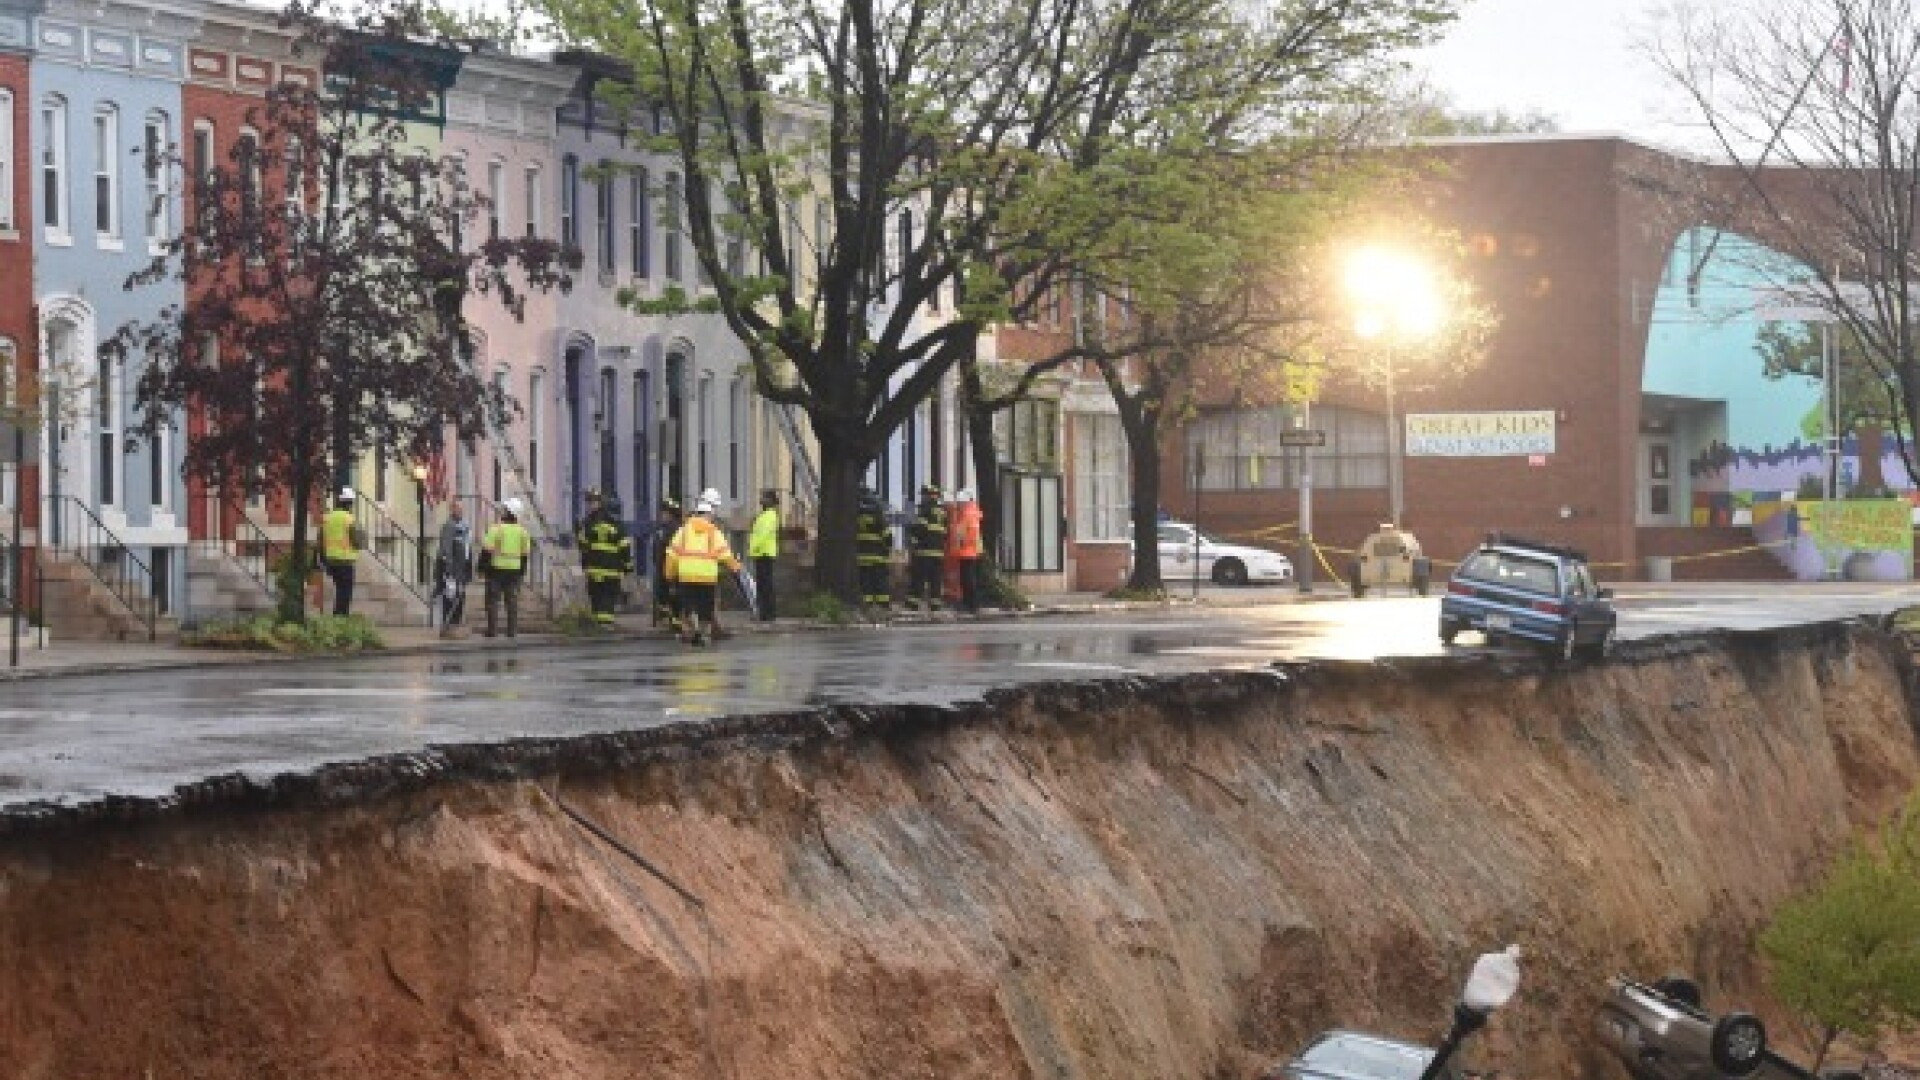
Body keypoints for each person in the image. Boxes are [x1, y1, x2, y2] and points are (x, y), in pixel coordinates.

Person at [665, 493, 739, 646]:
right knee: (706, 606)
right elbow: (725, 554)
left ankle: (695, 630)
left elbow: (672, 555)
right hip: (707, 577)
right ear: (708, 514)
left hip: (687, 576)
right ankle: (704, 634)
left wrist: (669, 574)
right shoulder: (714, 532)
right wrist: (736, 568)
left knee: (689, 605)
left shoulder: (683, 531)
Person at [576, 490, 634, 628]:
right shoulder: (615, 523)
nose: (590, 505)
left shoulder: (588, 523)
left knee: (599, 595)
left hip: (598, 567)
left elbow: (583, 545)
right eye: (589, 502)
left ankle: (602, 623)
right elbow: (624, 546)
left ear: (600, 503)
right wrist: (627, 566)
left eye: (592, 502)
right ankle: (604, 623)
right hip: (609, 568)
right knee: (605, 596)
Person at [483, 497, 532, 638]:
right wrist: (522, 571)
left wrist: (481, 568)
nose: (502, 512)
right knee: (512, 602)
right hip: (515, 571)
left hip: (496, 569)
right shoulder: (523, 532)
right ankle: (512, 631)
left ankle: (492, 631)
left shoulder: (496, 529)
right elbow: (525, 555)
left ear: (509, 512)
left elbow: (486, 550)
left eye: (505, 510)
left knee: (492, 601)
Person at [432, 498, 474, 638]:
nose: (460, 511)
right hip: (452, 569)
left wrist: (468, 568)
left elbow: (467, 549)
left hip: (462, 568)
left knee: (460, 597)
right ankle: (447, 626)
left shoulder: (464, 526)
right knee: (450, 598)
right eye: (457, 508)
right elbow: (446, 549)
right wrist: (448, 570)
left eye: (462, 508)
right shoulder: (449, 526)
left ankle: (455, 625)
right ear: (452, 509)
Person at [319, 488, 360, 617]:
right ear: (349, 503)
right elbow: (357, 540)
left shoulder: (327, 518)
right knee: (345, 592)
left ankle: (338, 617)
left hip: (330, 560)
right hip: (345, 561)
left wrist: (322, 559)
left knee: (339, 589)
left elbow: (320, 540)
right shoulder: (349, 519)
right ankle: (340, 617)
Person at [908, 483, 948, 612]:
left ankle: (913, 604)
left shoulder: (925, 508)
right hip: (938, 552)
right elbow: (945, 531)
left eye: (924, 495)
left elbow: (920, 528)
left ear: (928, 495)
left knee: (918, 578)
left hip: (924, 551)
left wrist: (913, 535)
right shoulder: (942, 511)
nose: (922, 497)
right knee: (935, 580)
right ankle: (935, 605)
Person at [856, 487, 892, 613]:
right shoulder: (877, 513)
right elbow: (887, 535)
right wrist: (888, 548)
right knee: (880, 579)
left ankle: (867, 604)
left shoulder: (856, 512)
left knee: (865, 580)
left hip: (862, 554)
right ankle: (883, 605)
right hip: (877, 554)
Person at [650, 498, 682, 630]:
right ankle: (666, 620)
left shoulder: (675, 529)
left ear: (671, 514)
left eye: (665, 512)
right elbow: (656, 546)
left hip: (672, 568)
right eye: (662, 512)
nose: (662, 515)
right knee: (662, 595)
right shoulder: (661, 528)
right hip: (661, 566)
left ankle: (675, 622)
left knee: (672, 596)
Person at [950, 487, 984, 614]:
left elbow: (961, 533)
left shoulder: (965, 514)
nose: (958, 505)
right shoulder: (974, 513)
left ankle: (969, 604)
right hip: (973, 551)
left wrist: (957, 544)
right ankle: (973, 604)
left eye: (959, 503)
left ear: (964, 502)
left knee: (967, 579)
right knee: (971, 578)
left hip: (966, 551)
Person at [749, 489, 780, 622]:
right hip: (762, 553)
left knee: (765, 585)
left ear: (770, 500)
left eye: (764, 497)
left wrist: (753, 547)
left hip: (764, 553)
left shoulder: (769, 516)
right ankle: (765, 613)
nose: (761, 500)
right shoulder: (765, 515)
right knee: (763, 585)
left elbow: (762, 535)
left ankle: (768, 614)